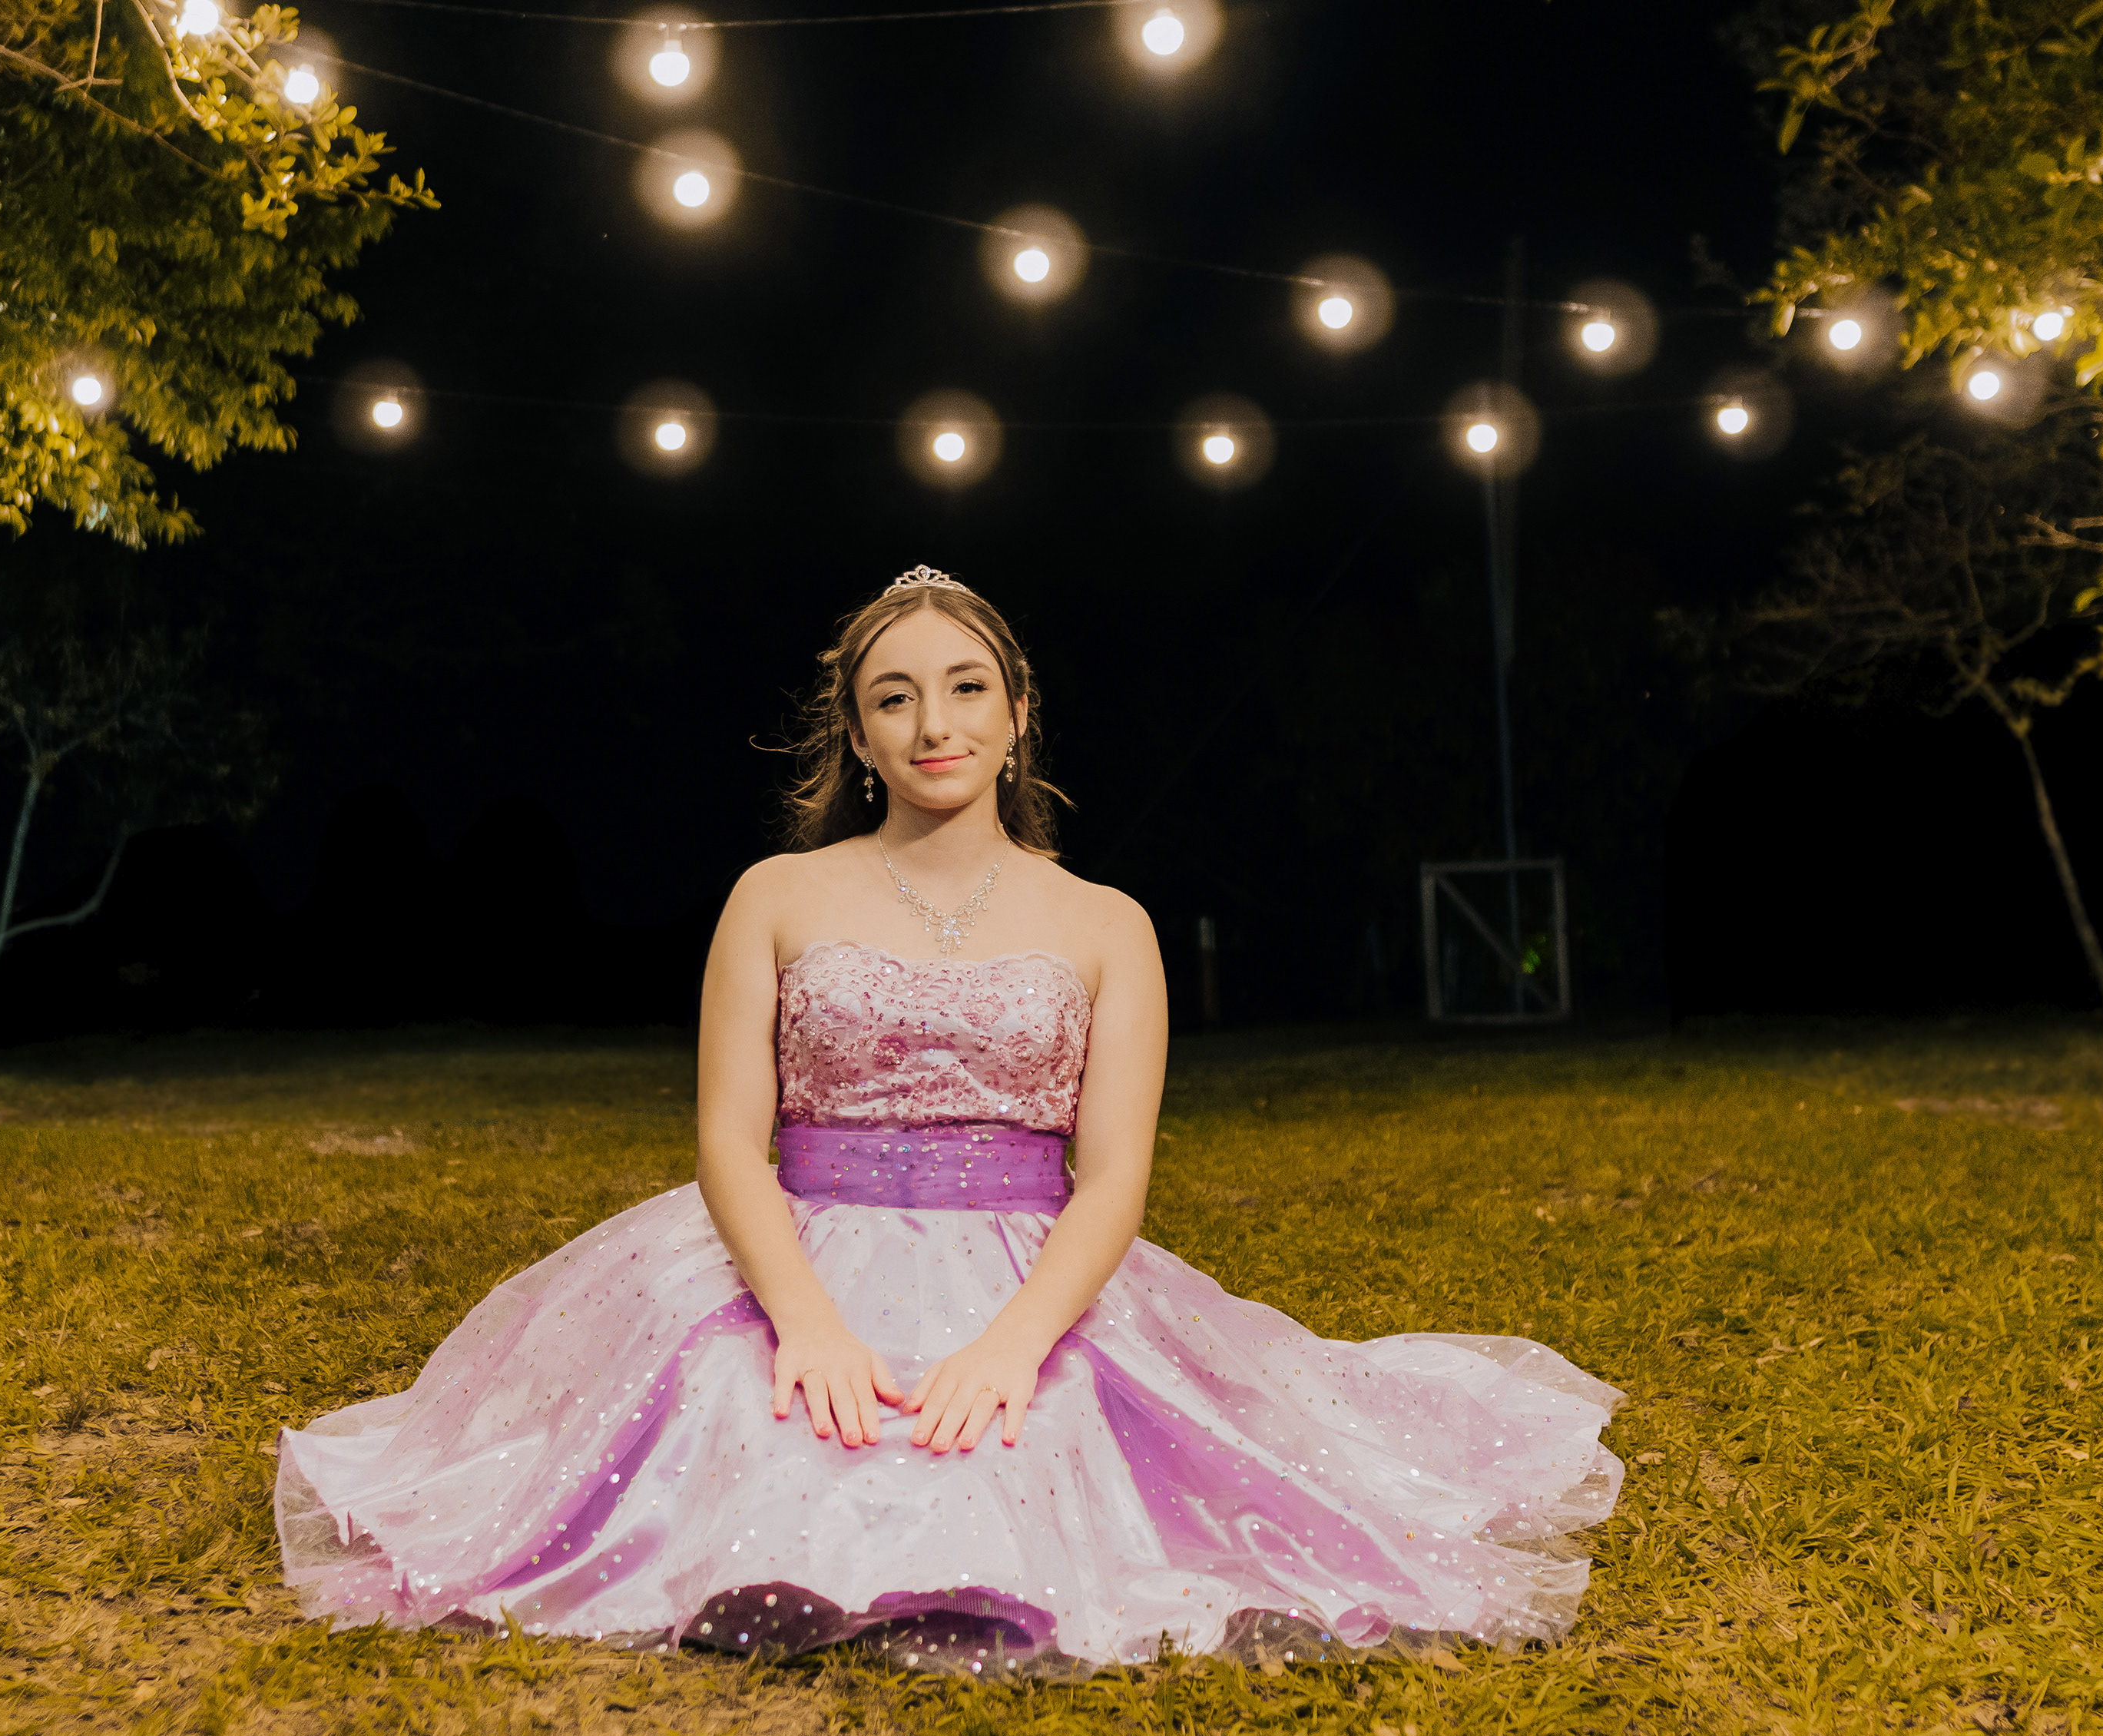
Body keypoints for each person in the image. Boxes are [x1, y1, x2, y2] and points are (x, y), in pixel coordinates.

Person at [273, 565, 1624, 1675]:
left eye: (967, 687)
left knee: (1036, 1423)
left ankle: (964, 1567)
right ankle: (776, 1570)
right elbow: (729, 1144)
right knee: (747, 1399)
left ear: (1018, 713)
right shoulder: (775, 896)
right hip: (800, 1243)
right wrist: (805, 1318)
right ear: (858, 736)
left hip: (1024, 1264)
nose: (935, 722)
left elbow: (1113, 1177)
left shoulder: (1108, 924)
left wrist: (1014, 1342)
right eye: (896, 697)